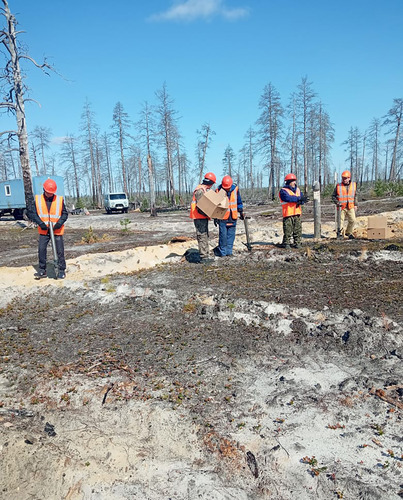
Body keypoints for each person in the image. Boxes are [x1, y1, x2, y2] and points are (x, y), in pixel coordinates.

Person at [29, 178, 68, 279]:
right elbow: (32, 213)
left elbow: (64, 214)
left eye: (51, 193)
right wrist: (40, 223)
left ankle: (61, 270)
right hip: (44, 230)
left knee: (60, 251)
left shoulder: (59, 200)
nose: (50, 194)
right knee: (41, 249)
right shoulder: (38, 199)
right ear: (44, 190)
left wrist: (59, 223)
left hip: (57, 230)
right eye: (48, 192)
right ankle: (42, 270)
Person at [214, 175, 244, 257]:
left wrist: (241, 211)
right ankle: (223, 253)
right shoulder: (218, 191)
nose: (227, 189)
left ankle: (229, 252)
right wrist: (215, 217)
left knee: (231, 236)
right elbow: (215, 205)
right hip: (222, 217)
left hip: (233, 217)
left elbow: (239, 201)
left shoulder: (235, 190)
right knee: (223, 237)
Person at [189, 172, 216, 263]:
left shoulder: (203, 190)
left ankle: (206, 254)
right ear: (210, 183)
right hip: (199, 217)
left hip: (202, 217)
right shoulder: (200, 191)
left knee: (204, 235)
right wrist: (210, 213)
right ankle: (204, 257)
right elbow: (201, 207)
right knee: (202, 235)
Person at [278, 173, 309, 249]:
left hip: (297, 213)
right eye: (292, 181)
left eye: (294, 181)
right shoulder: (283, 191)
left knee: (298, 229)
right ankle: (286, 243)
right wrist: (298, 199)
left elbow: (301, 198)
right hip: (288, 213)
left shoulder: (298, 190)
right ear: (288, 182)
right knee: (288, 229)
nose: (294, 182)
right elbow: (288, 198)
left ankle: (297, 243)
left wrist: (302, 201)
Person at [331, 170, 357, 239]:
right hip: (341, 207)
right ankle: (340, 234)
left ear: (349, 178)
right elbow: (333, 196)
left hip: (350, 206)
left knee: (353, 220)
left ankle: (348, 232)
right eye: (343, 178)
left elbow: (355, 195)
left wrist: (356, 204)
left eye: (345, 178)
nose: (344, 179)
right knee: (340, 221)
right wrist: (337, 202)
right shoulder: (338, 186)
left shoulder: (353, 185)